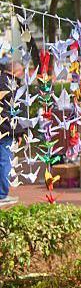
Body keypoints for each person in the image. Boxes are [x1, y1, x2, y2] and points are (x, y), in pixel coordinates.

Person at [0, 56, 18, 206]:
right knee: (4, 161)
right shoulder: (9, 84)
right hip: (4, 130)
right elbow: (12, 111)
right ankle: (2, 193)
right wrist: (17, 131)